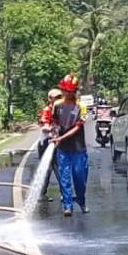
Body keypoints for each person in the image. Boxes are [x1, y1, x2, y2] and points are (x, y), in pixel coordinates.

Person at [50, 74, 89, 217]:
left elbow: (77, 127)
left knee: (80, 177)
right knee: (65, 178)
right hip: (63, 148)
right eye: (66, 91)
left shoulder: (81, 107)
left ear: (75, 91)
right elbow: (54, 121)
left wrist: (61, 137)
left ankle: (81, 200)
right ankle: (67, 205)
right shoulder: (57, 105)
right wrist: (54, 133)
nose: (68, 94)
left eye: (71, 91)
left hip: (78, 148)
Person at [37, 88, 62, 200]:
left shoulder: (59, 110)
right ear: (50, 99)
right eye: (55, 98)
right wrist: (51, 128)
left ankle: (43, 193)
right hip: (47, 143)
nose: (58, 100)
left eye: (59, 97)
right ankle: (63, 193)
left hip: (56, 142)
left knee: (58, 167)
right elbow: (44, 126)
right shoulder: (47, 110)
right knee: (52, 168)